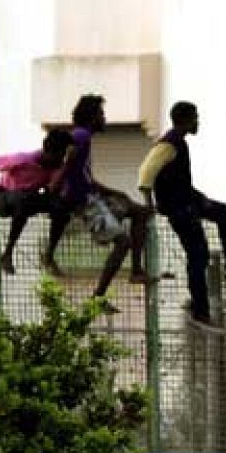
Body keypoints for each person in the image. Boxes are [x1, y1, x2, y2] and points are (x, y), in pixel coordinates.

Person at [138, 101, 226, 330]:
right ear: (184, 120)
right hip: (181, 209)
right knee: (198, 256)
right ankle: (200, 310)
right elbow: (145, 173)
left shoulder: (178, 142)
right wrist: (150, 205)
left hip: (189, 201)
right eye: (195, 118)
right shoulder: (170, 143)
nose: (197, 122)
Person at [46, 94, 148, 301]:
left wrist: (114, 193)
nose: (105, 119)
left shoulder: (85, 137)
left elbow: (85, 177)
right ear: (93, 117)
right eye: (101, 114)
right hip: (84, 203)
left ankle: (137, 270)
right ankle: (99, 296)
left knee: (139, 212)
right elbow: (65, 153)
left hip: (92, 196)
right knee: (123, 242)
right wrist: (57, 183)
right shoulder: (81, 135)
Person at [0, 130, 72, 275]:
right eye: (60, 155)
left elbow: (51, 191)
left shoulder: (56, 168)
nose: (61, 159)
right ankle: (8, 252)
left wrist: (64, 169)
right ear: (49, 152)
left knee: (61, 207)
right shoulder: (22, 159)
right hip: (4, 196)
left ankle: (49, 254)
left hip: (28, 199)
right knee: (24, 199)